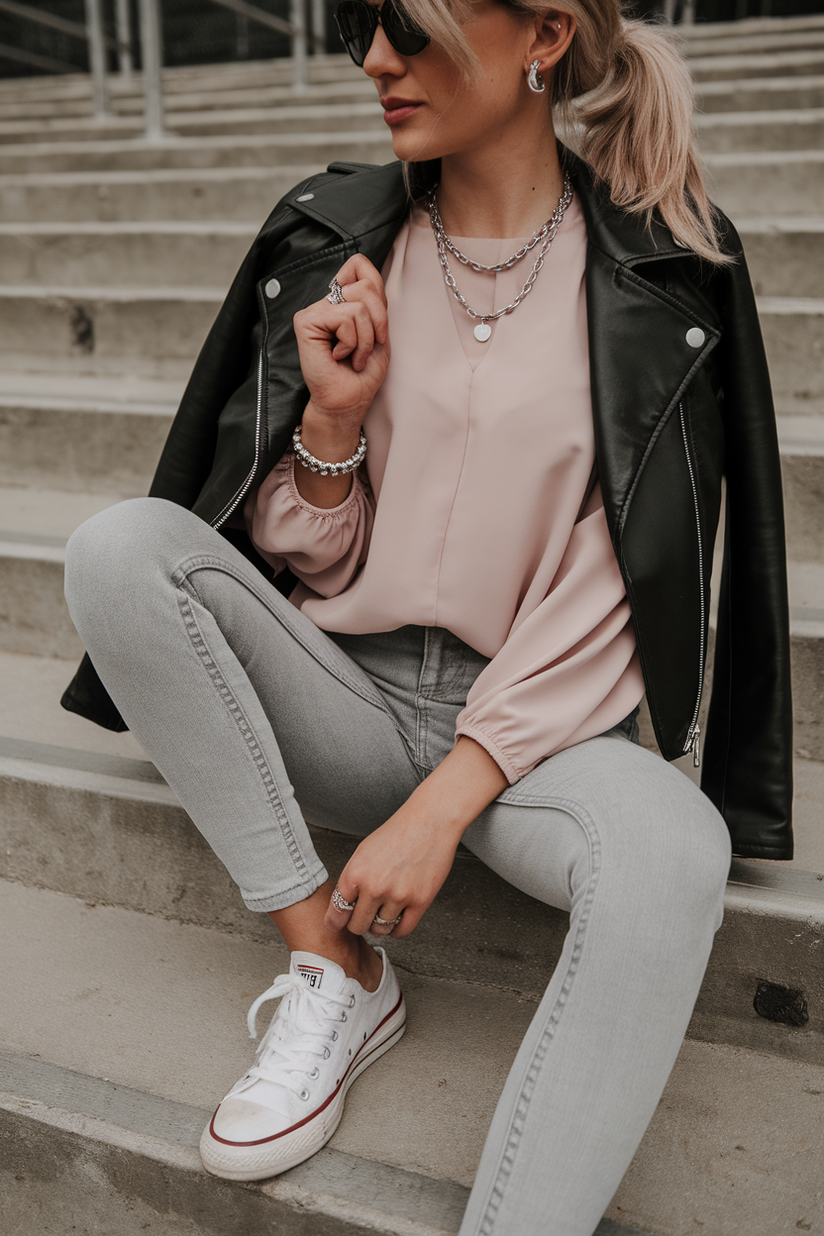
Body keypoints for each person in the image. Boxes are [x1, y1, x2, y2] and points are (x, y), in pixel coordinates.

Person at [62, 0, 793, 1231]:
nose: (375, 62)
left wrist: (447, 798)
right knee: (120, 549)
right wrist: (334, 426)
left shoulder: (663, 260)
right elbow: (303, 552)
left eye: (405, 24)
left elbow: (628, 579)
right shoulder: (339, 232)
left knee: (672, 853)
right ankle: (332, 964)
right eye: (360, 25)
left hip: (539, 741)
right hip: (342, 694)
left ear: (541, 37)